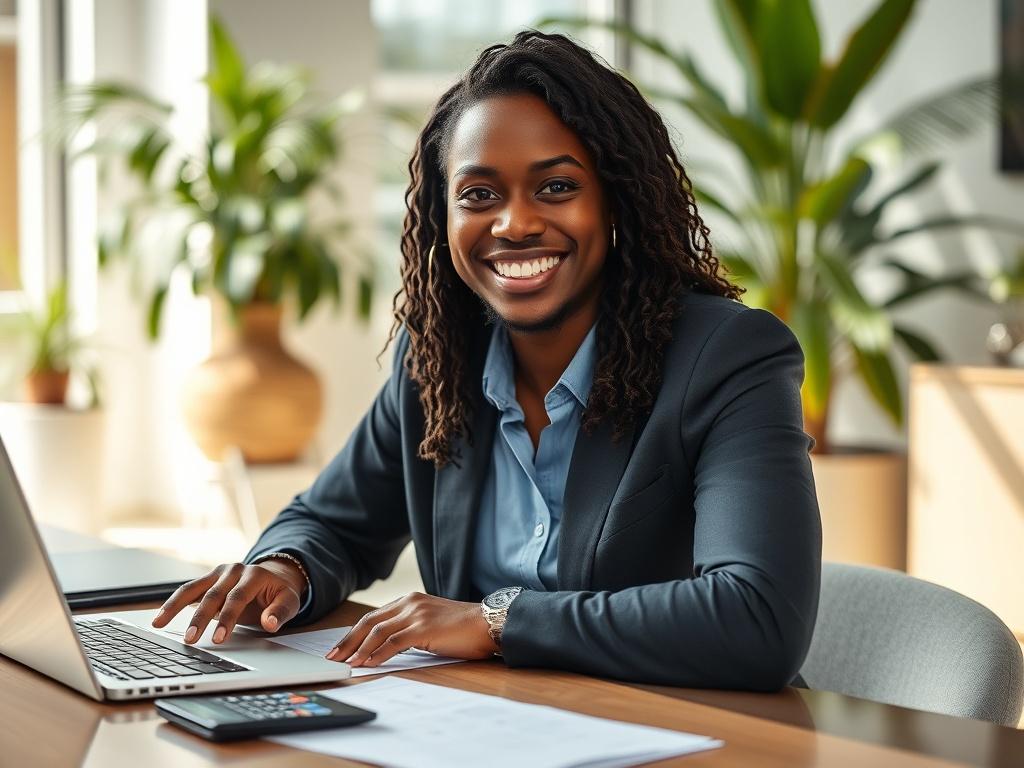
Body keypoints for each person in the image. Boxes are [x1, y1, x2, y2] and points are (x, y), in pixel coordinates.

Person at [153, 30, 821, 690]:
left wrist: (499, 622)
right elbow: (331, 522)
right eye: (479, 195)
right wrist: (286, 570)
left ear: (615, 199)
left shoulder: (726, 359)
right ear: (444, 217)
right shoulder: (440, 359)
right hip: (482, 728)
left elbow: (757, 617)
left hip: (681, 736)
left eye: (556, 186)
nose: (514, 224)